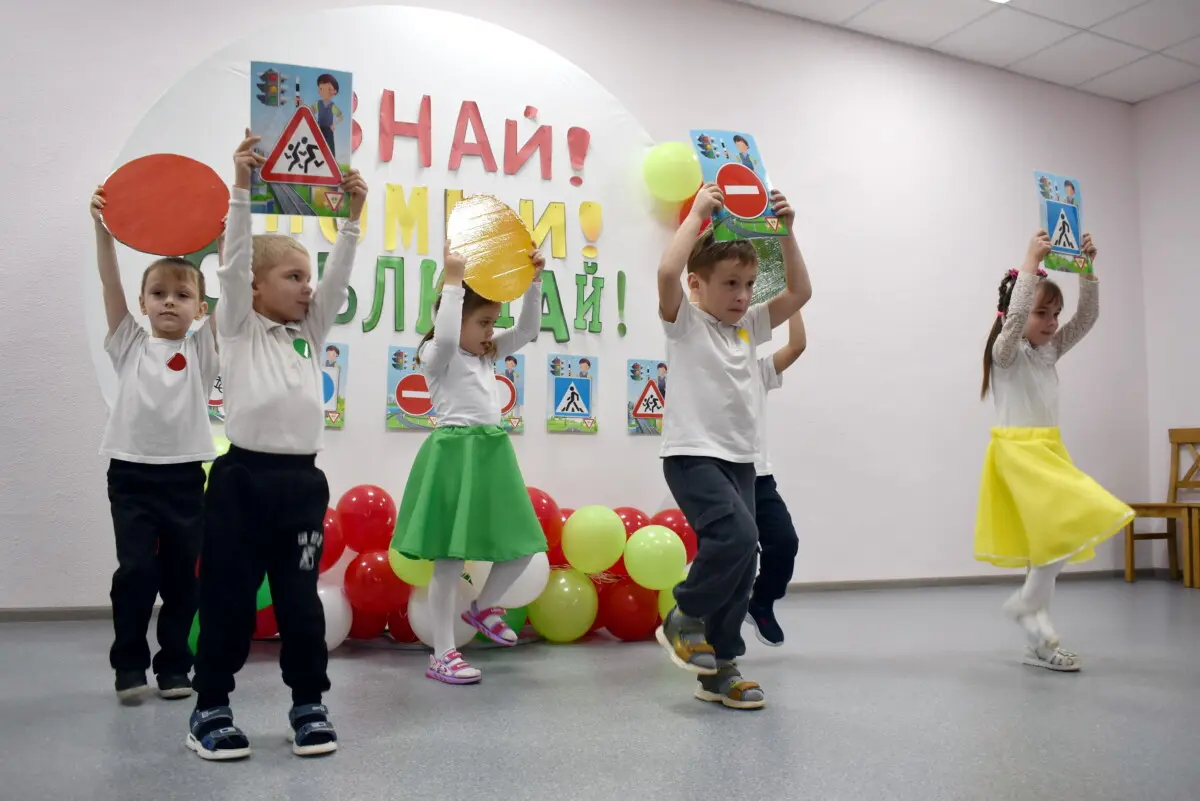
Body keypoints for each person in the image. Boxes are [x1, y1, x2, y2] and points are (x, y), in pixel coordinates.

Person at [186, 130, 367, 760]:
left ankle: (307, 705)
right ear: (257, 290)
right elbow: (232, 263)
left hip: (300, 485)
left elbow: (338, 284)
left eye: (307, 277)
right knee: (229, 602)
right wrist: (241, 189)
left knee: (300, 605)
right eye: (293, 276)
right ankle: (210, 705)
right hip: (241, 482)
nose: (308, 288)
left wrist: (352, 221)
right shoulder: (237, 328)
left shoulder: (308, 333)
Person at [654, 183, 811, 709]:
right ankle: (684, 614)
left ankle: (721, 667)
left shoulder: (749, 327)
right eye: (730, 285)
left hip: (741, 461)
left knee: (743, 565)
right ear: (698, 285)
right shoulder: (686, 323)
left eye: (748, 284)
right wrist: (698, 212)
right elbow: (665, 273)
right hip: (692, 454)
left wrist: (787, 236)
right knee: (739, 537)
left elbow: (799, 295)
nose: (743, 295)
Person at [976, 230, 1133, 672]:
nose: (1051, 322)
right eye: (1041, 313)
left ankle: (1036, 639)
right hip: (1019, 455)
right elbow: (1016, 317)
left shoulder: (1050, 351)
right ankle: (1029, 607)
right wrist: (1029, 262)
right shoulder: (1005, 355)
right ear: (1016, 314)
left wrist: (1086, 270)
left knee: (1050, 545)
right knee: (1062, 534)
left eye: (1054, 314)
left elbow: (1087, 317)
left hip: (1047, 451)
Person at [392, 244, 548, 684]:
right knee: (447, 560)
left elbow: (529, 330)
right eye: (482, 322)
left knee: (522, 546)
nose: (490, 331)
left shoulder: (486, 353)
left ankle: (483, 606)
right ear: (454, 317)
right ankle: (443, 653)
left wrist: (535, 281)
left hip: (491, 453)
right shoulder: (437, 356)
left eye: (493, 322)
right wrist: (454, 280)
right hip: (454, 453)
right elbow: (443, 337)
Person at [91, 187, 219, 703]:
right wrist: (103, 230)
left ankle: (173, 666)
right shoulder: (130, 343)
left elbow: (232, 291)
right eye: (159, 293)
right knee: (137, 571)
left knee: (181, 581)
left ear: (199, 307)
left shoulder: (205, 348)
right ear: (143, 303)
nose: (170, 301)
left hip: (186, 477)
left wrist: (228, 242)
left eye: (182, 294)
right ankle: (128, 663)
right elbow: (108, 281)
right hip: (132, 476)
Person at [744, 309, 806, 647]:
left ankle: (762, 601)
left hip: (759, 477)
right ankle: (712, 632)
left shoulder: (760, 370)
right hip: (722, 474)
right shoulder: (708, 363)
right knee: (736, 552)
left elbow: (797, 345)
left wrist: (794, 302)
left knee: (784, 542)